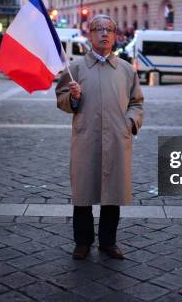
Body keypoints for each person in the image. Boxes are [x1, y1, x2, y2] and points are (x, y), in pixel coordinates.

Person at [56, 14, 144, 260]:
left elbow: (137, 103)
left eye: (109, 29)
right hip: (86, 140)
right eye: (98, 29)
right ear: (89, 35)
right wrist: (73, 97)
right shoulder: (75, 69)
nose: (104, 34)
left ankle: (108, 242)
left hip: (117, 141)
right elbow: (61, 100)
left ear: (115, 36)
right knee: (83, 195)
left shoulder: (126, 70)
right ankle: (82, 242)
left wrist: (128, 123)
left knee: (112, 195)